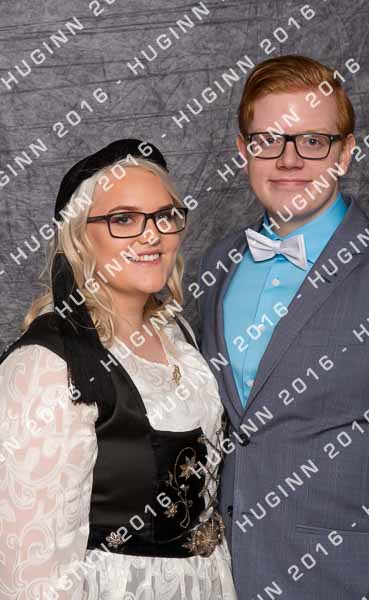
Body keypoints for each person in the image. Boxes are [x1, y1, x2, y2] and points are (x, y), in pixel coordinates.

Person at [197, 55, 369, 599]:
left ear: (345, 152)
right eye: (268, 140)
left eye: (312, 141)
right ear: (242, 151)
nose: (289, 160)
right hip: (219, 579)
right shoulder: (218, 264)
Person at [0, 139, 237, 600]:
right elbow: (27, 570)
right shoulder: (47, 365)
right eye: (124, 219)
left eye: (164, 216)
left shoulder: (177, 335)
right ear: (79, 236)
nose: (151, 236)